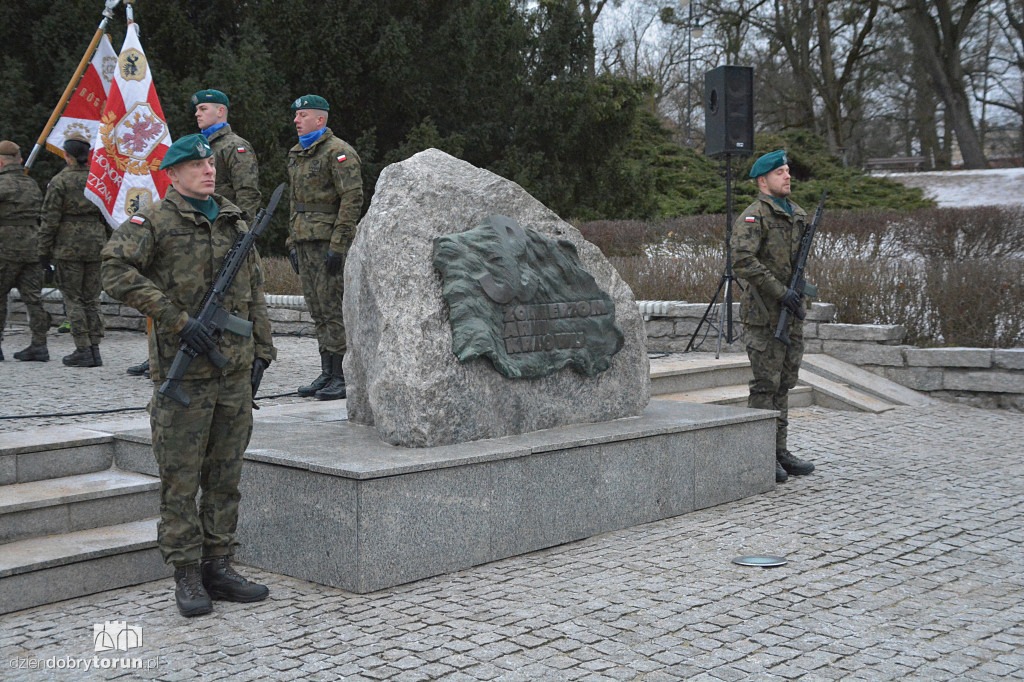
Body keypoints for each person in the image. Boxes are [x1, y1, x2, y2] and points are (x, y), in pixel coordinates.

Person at [101, 133, 276, 617]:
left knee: (226, 475)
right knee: (180, 481)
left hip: (234, 373)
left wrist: (263, 349)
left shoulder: (236, 218)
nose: (208, 170)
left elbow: (255, 287)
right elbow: (114, 270)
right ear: (172, 174)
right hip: (185, 378)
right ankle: (186, 573)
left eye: (209, 163)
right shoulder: (154, 220)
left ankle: (218, 566)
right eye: (196, 165)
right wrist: (176, 319)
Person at [731, 149, 816, 484]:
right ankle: (760, 453)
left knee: (785, 384)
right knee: (765, 386)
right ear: (762, 180)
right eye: (780, 172)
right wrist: (781, 291)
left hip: (791, 313)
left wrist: (794, 294)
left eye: (788, 170)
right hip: (765, 314)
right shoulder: (754, 217)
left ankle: (779, 450)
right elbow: (742, 261)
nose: (787, 176)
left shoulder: (797, 214)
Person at [286, 94, 363, 400]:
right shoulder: (297, 153)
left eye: (302, 115)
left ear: (320, 119)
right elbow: (294, 202)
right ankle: (327, 372)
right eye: (296, 115)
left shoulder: (339, 153)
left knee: (333, 308)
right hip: (304, 240)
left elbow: (352, 199)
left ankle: (343, 376)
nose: (296, 120)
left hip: (328, 242)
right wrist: (291, 240)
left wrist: (339, 244)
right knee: (317, 308)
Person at [38, 131, 112, 367]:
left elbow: (50, 219)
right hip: (96, 244)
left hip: (68, 246)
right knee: (92, 298)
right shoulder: (97, 179)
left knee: (73, 298)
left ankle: (82, 348)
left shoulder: (60, 181)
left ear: (67, 155)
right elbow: (108, 214)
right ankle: (95, 348)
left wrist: (43, 250)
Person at [0, 140, 48, 362]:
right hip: (32, 246)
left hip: (5, 246)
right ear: (19, 159)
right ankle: (39, 345)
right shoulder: (32, 184)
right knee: (33, 298)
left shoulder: (2, 184)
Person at [192, 88, 261, 221]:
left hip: (225, 226)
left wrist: (242, 229)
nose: (197, 114)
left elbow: (247, 192)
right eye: (197, 109)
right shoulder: (201, 146)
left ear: (220, 111)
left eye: (203, 109)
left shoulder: (234, 146)